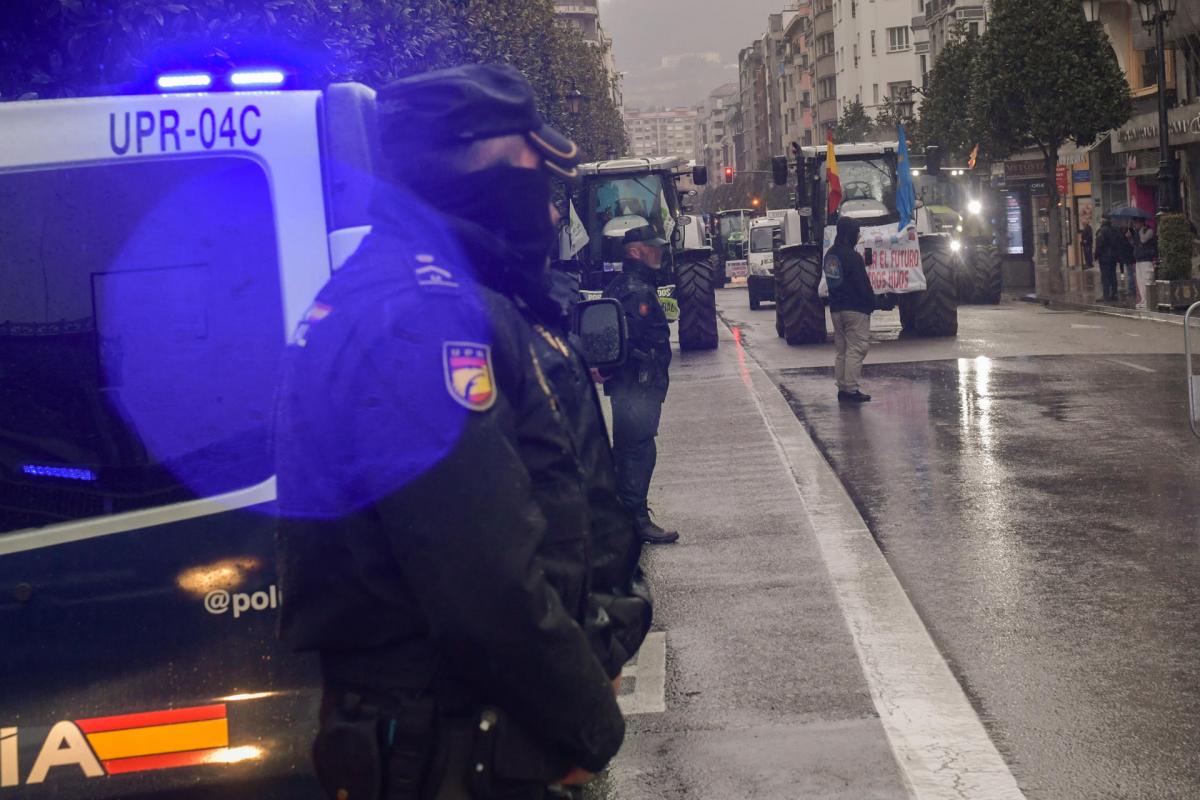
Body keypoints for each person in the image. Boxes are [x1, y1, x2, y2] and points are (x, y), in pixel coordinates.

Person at [274, 64, 650, 800]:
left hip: (451, 736)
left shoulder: (416, 295)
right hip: (449, 748)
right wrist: (586, 723)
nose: (549, 205)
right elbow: (484, 580)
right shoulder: (422, 319)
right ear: (481, 170)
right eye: (533, 172)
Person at [601, 219, 679, 545]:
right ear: (636, 252)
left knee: (628, 448)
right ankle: (636, 520)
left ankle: (624, 518)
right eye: (652, 248)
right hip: (639, 384)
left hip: (630, 384)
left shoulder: (620, 286)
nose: (659, 253)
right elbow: (631, 340)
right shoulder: (637, 291)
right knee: (638, 450)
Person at [825, 215, 874, 403]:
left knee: (842, 350)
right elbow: (862, 284)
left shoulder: (830, 255)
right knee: (856, 349)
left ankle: (842, 388)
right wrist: (871, 303)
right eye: (857, 232)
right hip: (855, 309)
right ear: (850, 233)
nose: (858, 236)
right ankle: (851, 390)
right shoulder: (852, 257)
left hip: (836, 309)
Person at [1095, 214, 1123, 302]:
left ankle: (1106, 295)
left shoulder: (1102, 231)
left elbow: (1099, 244)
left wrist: (1096, 255)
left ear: (1103, 220)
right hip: (1113, 257)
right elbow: (1119, 242)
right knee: (1113, 275)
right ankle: (1114, 293)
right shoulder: (1115, 230)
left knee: (1105, 277)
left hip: (1104, 257)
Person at [1132, 216, 1158, 310]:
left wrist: (1140, 231)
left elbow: (1143, 240)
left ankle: (1148, 301)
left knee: (1147, 280)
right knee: (1140, 282)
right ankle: (1143, 301)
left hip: (1146, 260)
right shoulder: (1136, 232)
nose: (1135, 225)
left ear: (1141, 222)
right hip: (1138, 260)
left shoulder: (1149, 231)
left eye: (1136, 222)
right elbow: (1135, 244)